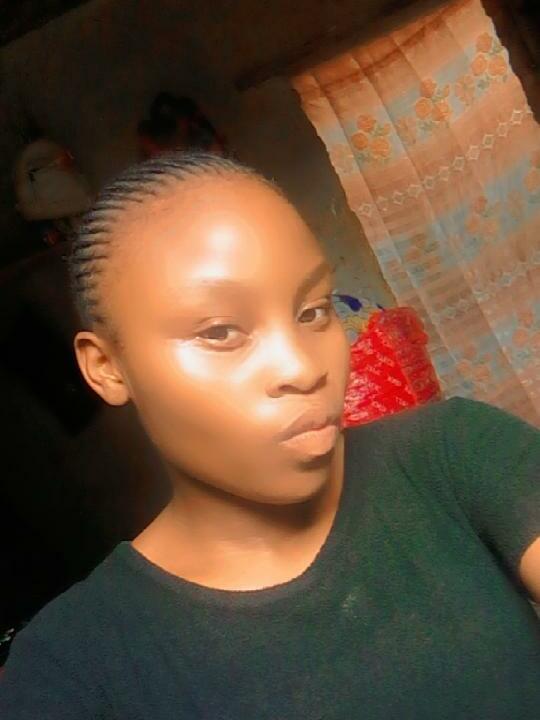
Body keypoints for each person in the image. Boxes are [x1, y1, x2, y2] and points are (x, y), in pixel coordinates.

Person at [1, 151, 539, 720]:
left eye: (313, 312)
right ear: (107, 367)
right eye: (220, 331)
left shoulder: (455, 453)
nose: (303, 367)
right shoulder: (72, 667)